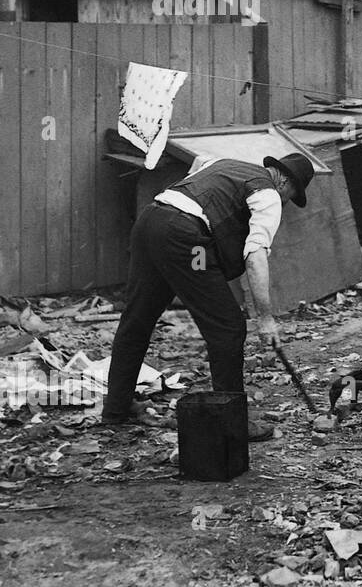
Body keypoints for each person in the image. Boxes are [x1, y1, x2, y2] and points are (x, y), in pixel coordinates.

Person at [102, 153, 315, 439]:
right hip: (189, 244)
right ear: (285, 182)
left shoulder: (225, 164)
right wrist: (266, 319)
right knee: (228, 327)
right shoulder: (269, 195)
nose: (288, 202)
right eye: (293, 195)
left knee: (137, 320)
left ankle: (116, 409)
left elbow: (196, 167)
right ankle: (233, 424)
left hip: (150, 222)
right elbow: (255, 258)